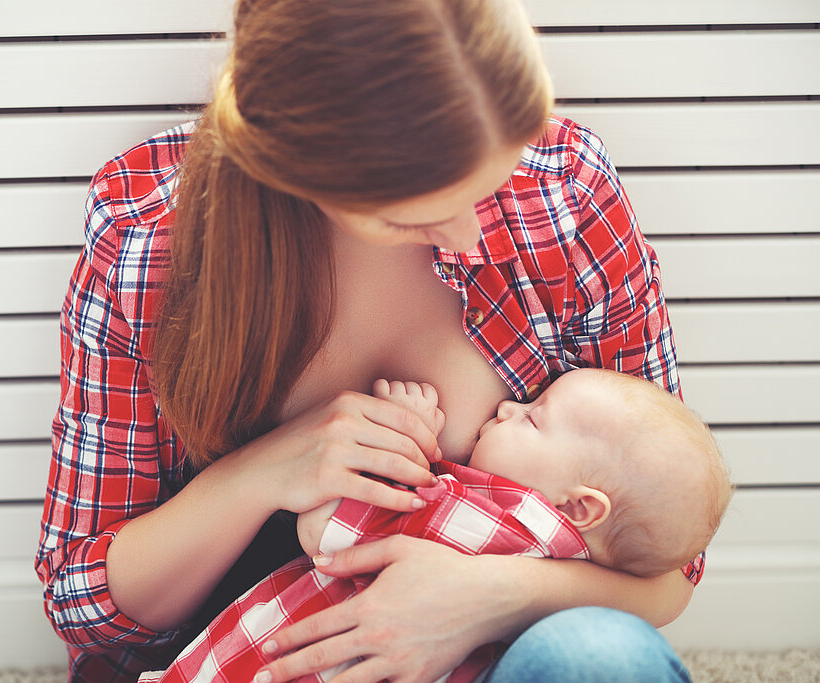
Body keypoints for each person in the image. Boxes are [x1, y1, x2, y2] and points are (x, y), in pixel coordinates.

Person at [35, 0, 699, 680]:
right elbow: (84, 601)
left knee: (599, 660)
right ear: (304, 172)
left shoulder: (564, 192)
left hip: (487, 655)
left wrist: (487, 597)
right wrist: (269, 470)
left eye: (492, 181)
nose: (473, 236)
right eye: (421, 215)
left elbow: (669, 565)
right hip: (256, 656)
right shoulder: (148, 237)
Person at [137, 371, 733, 682]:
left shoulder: (484, 517)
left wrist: (405, 439)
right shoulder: (577, 559)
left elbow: (324, 532)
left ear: (579, 507)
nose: (506, 408)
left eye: (530, 420)